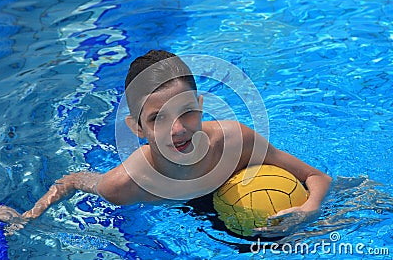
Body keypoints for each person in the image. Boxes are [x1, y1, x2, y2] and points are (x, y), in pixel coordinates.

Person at [22, 50, 332, 236]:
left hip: (263, 210)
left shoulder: (236, 142)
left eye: (187, 112)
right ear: (137, 128)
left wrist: (309, 209)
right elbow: (76, 180)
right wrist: (27, 217)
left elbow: (317, 177)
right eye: (158, 119)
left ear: (200, 105)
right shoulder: (127, 184)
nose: (178, 129)